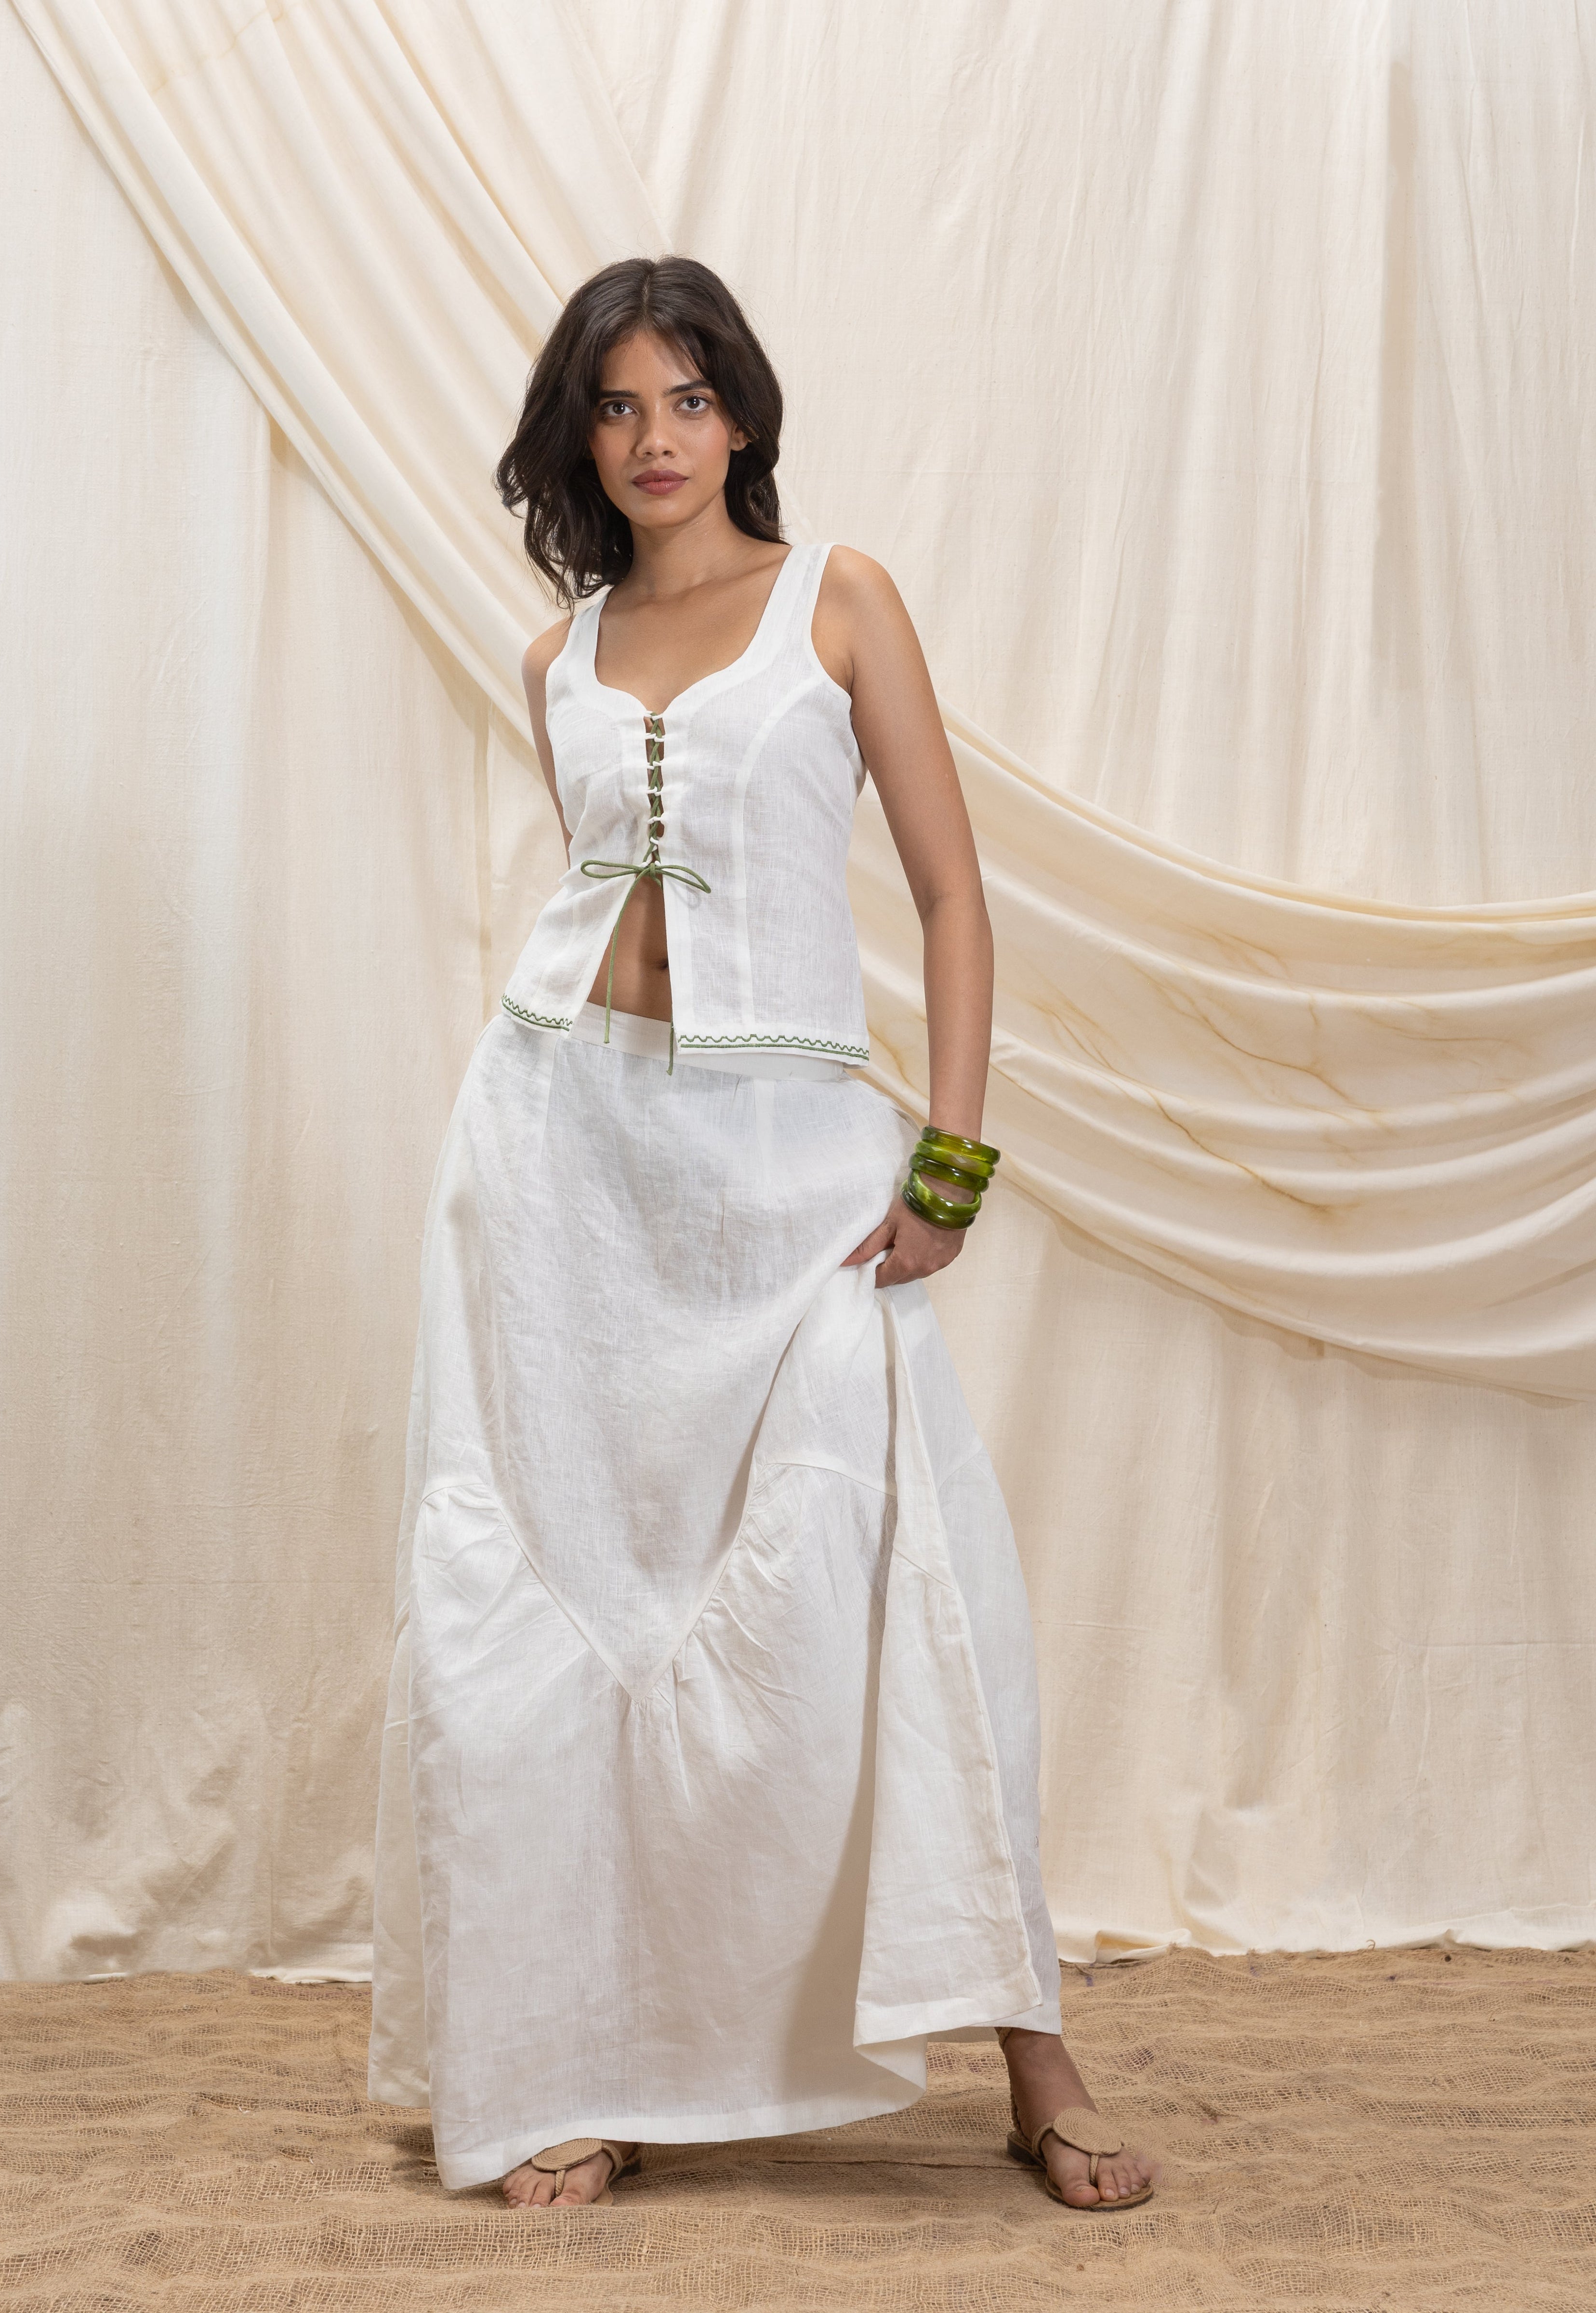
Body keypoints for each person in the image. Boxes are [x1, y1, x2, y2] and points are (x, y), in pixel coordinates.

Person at [367, 255, 1155, 2217]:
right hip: (563, 1160)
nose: (655, 439)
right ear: (581, 436)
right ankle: (595, 2059)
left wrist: (949, 1162)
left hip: (790, 1169)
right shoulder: (557, 656)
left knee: (908, 1574)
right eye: (617, 406)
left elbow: (953, 899)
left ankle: (1034, 2060)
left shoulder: (841, 603)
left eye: (688, 399)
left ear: (743, 415)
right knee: (578, 1595)